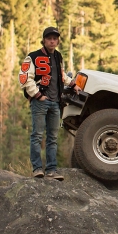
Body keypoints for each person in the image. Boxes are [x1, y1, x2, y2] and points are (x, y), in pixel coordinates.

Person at [19, 26, 81, 180]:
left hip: (55, 102)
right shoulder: (33, 57)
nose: (52, 41)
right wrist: (37, 95)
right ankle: (37, 169)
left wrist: (73, 84)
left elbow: (61, 75)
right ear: (44, 40)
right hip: (40, 102)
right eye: (49, 38)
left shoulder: (58, 56)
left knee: (52, 138)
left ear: (58, 41)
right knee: (37, 136)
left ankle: (51, 171)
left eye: (55, 39)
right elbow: (24, 77)